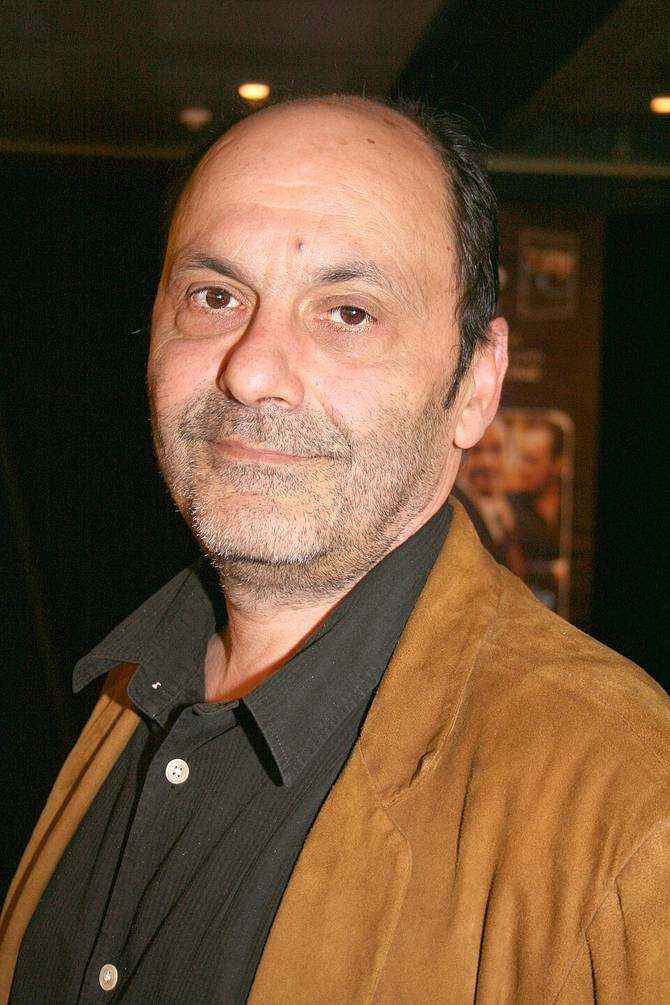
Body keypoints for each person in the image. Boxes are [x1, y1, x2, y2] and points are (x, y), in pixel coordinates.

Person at [2, 95, 668, 1005]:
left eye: (348, 311)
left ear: (476, 384)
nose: (252, 370)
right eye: (216, 296)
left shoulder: (624, 804)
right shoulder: (129, 692)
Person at [453, 418, 525, 576]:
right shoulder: (454, 504)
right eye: (477, 450)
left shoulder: (512, 504)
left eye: (496, 450)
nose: (487, 462)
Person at [509, 418, 568, 609]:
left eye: (531, 460)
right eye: (522, 458)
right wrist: (549, 572)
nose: (523, 469)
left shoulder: (572, 505)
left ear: (558, 464)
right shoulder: (510, 506)